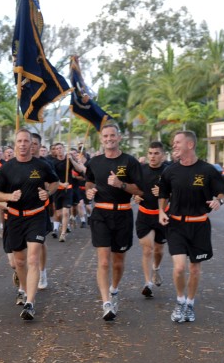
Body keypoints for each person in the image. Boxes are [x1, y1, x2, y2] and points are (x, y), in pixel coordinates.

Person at [158, 130, 224, 323]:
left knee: (195, 269)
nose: (174, 146)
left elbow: (222, 193)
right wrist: (162, 211)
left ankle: (190, 304)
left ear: (190, 145)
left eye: (177, 142)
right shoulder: (170, 171)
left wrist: (218, 202)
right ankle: (180, 301)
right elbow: (163, 193)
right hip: (176, 225)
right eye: (173, 143)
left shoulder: (207, 170)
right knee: (179, 268)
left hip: (199, 226)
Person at [0, 129, 59, 320]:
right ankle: (23, 288)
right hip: (14, 218)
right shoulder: (7, 168)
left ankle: (30, 302)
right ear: (15, 144)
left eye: (26, 141)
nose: (22, 144)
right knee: (20, 262)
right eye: (19, 141)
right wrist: (9, 196)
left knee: (32, 260)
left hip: (36, 216)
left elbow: (54, 182)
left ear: (32, 144)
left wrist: (48, 193)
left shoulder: (42, 165)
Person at [85, 123, 143, 321]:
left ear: (119, 138)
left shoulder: (130, 161)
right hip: (101, 213)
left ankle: (115, 290)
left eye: (112, 135)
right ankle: (106, 302)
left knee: (118, 262)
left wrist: (121, 184)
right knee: (103, 260)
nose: (109, 139)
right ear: (101, 139)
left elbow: (139, 190)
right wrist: (89, 191)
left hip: (123, 214)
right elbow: (89, 181)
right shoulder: (94, 162)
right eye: (105, 136)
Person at [133, 141, 169, 298]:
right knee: (147, 249)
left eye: (156, 153)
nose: (153, 156)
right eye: (150, 153)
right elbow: (134, 187)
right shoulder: (141, 170)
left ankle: (156, 268)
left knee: (159, 249)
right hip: (144, 214)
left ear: (163, 155)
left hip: (163, 215)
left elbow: (179, 192)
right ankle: (148, 283)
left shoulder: (169, 171)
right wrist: (135, 196)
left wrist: (164, 192)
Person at [30, 132, 55, 289]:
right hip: (21, 209)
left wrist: (47, 190)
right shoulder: (18, 163)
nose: (30, 146)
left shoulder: (46, 164)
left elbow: (54, 183)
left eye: (34, 144)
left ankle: (42, 271)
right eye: (28, 143)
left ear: (39, 145)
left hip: (41, 207)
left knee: (40, 242)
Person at [51, 143, 85, 242]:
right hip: (57, 190)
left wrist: (71, 160)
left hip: (68, 190)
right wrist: (61, 184)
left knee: (66, 212)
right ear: (55, 151)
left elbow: (79, 170)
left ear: (64, 149)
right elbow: (52, 178)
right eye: (57, 149)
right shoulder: (53, 163)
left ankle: (63, 234)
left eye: (60, 148)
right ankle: (62, 224)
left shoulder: (68, 161)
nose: (59, 150)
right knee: (58, 214)